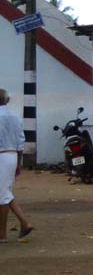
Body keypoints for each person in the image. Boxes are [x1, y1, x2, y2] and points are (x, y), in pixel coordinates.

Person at [0, 89, 33, 242]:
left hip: (1, 156)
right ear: (7, 100)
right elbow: (21, 142)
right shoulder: (15, 117)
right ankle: (21, 224)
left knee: (3, 195)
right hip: (12, 155)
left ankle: (5, 233)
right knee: (5, 193)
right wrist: (19, 163)